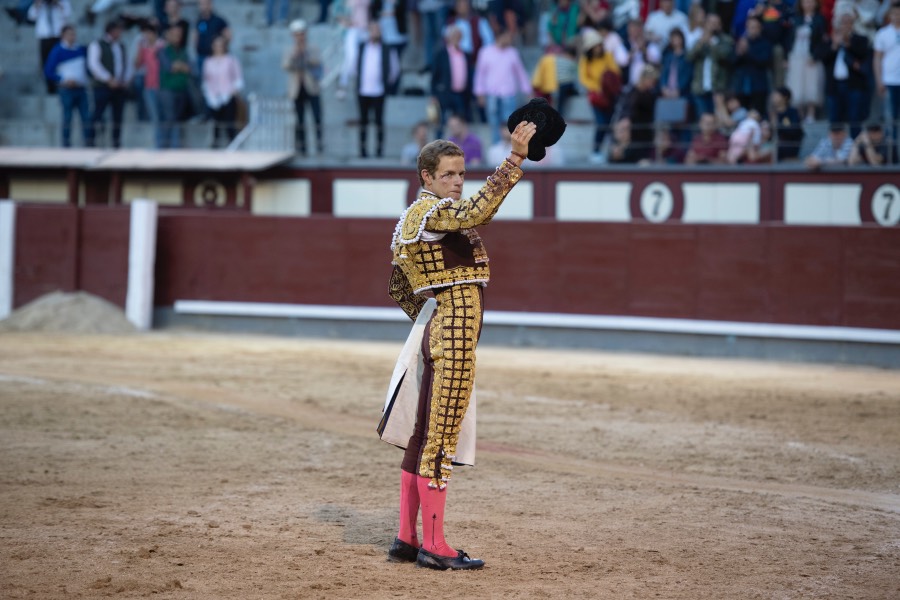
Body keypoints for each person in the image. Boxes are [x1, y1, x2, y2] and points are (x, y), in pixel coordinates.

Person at [385, 118, 538, 571]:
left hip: (441, 333)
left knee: (422, 436)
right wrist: (513, 160)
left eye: (461, 174)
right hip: (453, 339)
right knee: (440, 439)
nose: (456, 182)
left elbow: (397, 285)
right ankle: (435, 545)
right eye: (448, 174)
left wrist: (428, 321)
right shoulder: (432, 213)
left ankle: (406, 538)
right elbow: (477, 212)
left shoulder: (412, 221)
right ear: (426, 177)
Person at [473, 28, 531, 145]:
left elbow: (521, 73)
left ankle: (509, 151)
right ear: (500, 36)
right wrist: (479, 93)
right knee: (494, 124)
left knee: (510, 125)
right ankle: (496, 150)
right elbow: (480, 74)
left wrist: (528, 90)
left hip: (508, 95)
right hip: (492, 95)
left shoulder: (513, 52)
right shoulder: (485, 52)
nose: (510, 39)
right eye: (508, 36)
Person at [818, 11, 871, 137]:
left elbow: (862, 54)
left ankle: (856, 149)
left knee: (854, 118)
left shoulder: (861, 39)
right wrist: (835, 45)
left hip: (853, 85)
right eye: (843, 23)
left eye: (848, 23)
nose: (845, 26)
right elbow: (822, 57)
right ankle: (836, 149)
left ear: (853, 25)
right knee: (835, 119)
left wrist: (848, 44)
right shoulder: (830, 41)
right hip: (834, 86)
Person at [44, 24, 93, 147]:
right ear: (63, 35)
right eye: (70, 34)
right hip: (66, 90)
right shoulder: (58, 50)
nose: (73, 37)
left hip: (81, 89)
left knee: (86, 117)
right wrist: (64, 80)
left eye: (74, 34)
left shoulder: (80, 50)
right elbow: (48, 71)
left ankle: (89, 143)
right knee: (67, 118)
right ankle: (66, 144)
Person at [356, 20, 400, 157]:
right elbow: (355, 66)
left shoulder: (387, 48)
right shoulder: (362, 47)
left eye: (377, 30)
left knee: (379, 122)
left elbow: (395, 69)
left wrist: (386, 83)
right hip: (363, 90)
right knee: (363, 122)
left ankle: (379, 151)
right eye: (372, 29)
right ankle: (362, 150)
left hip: (379, 91)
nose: (375, 32)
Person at [579, 27, 621, 160]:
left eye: (599, 45)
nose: (598, 48)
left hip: (609, 96)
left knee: (608, 124)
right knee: (601, 123)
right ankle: (595, 150)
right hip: (597, 97)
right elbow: (583, 78)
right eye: (595, 46)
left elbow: (615, 71)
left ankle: (608, 151)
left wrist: (606, 80)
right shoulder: (586, 60)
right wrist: (597, 87)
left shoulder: (607, 56)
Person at [284, 19, 324, 156]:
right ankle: (302, 149)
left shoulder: (313, 48)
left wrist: (304, 54)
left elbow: (317, 62)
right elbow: (285, 65)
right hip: (297, 89)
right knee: (299, 121)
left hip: (311, 87)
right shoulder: (290, 50)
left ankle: (319, 147)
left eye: (301, 34)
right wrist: (295, 54)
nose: (300, 37)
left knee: (317, 118)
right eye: (297, 34)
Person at [87, 19, 130, 149]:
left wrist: (124, 80)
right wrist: (108, 79)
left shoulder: (120, 46)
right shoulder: (97, 44)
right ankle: (91, 141)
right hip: (103, 86)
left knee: (118, 117)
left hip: (118, 87)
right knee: (98, 114)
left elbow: (124, 64)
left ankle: (116, 142)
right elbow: (94, 65)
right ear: (111, 31)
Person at [687, 13, 734, 120]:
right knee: (702, 120)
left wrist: (711, 43)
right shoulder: (699, 40)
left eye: (716, 23)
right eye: (710, 23)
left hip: (718, 89)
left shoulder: (726, 40)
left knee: (718, 120)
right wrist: (701, 43)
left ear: (720, 25)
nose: (713, 26)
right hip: (700, 88)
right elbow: (689, 57)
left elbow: (725, 55)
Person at [786, 0, 827, 123]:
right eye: (805, 2)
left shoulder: (820, 19)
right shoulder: (796, 19)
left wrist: (815, 56)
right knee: (796, 84)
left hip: (811, 57)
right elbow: (789, 38)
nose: (808, 4)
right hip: (796, 55)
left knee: (811, 84)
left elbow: (821, 41)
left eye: (811, 2)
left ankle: (811, 114)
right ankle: (799, 114)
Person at [430, 25, 473, 137]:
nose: (456, 38)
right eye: (454, 36)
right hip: (445, 94)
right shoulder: (441, 54)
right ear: (448, 38)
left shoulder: (466, 54)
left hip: (461, 94)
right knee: (442, 122)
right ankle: (438, 146)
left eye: (458, 36)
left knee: (461, 121)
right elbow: (435, 75)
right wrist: (433, 94)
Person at [202, 35, 243, 147]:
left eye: (221, 45)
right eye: (216, 45)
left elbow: (238, 79)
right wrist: (210, 97)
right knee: (215, 127)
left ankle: (233, 149)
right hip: (213, 99)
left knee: (230, 126)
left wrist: (231, 93)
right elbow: (206, 81)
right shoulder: (208, 61)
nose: (218, 47)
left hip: (228, 97)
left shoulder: (231, 60)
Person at [157, 24, 192, 148]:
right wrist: (180, 66)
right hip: (167, 91)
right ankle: (164, 151)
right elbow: (170, 67)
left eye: (179, 34)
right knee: (168, 121)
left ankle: (177, 151)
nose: (178, 37)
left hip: (181, 90)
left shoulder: (183, 51)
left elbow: (189, 68)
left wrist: (179, 66)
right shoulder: (163, 51)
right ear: (169, 35)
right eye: (175, 34)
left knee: (179, 122)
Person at [732, 16, 773, 115]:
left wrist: (747, 51)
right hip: (742, 86)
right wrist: (739, 52)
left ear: (760, 28)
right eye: (750, 27)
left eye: (755, 27)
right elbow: (733, 63)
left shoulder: (765, 43)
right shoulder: (741, 43)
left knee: (759, 114)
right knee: (741, 115)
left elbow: (763, 62)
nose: (753, 30)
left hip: (759, 86)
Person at [27, 0, 71, 94]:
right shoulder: (40, 3)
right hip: (44, 37)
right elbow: (31, 16)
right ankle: (50, 86)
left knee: (59, 62)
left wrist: (57, 3)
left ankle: (60, 83)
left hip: (58, 35)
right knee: (45, 62)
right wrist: (38, 3)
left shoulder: (63, 2)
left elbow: (67, 13)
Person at [133, 19, 165, 148]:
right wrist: (140, 48)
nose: (146, 36)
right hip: (149, 86)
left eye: (149, 33)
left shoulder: (162, 45)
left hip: (162, 86)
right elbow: (136, 65)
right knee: (155, 117)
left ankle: (164, 144)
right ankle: (158, 145)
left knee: (164, 117)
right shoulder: (143, 47)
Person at [873, 2, 900, 143]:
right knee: (890, 118)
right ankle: (892, 153)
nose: (897, 17)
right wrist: (879, 80)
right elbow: (877, 59)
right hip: (889, 81)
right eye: (894, 14)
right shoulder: (883, 33)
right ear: (889, 15)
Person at [530, 41, 578, 118]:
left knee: (546, 103)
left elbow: (539, 73)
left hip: (548, 86)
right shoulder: (556, 60)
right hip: (551, 86)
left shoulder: (550, 59)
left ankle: (548, 115)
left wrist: (535, 84)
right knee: (549, 102)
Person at [194, 0, 230, 76]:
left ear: (211, 4)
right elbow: (196, 37)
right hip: (202, 57)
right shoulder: (199, 21)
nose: (204, 6)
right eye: (201, 4)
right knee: (204, 82)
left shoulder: (219, 20)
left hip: (216, 58)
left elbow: (228, 36)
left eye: (206, 4)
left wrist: (220, 50)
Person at [770, 86, 804, 160]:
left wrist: (778, 126)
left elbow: (794, 130)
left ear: (785, 97)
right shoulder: (771, 113)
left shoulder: (792, 112)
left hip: (789, 145)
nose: (773, 98)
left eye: (776, 95)